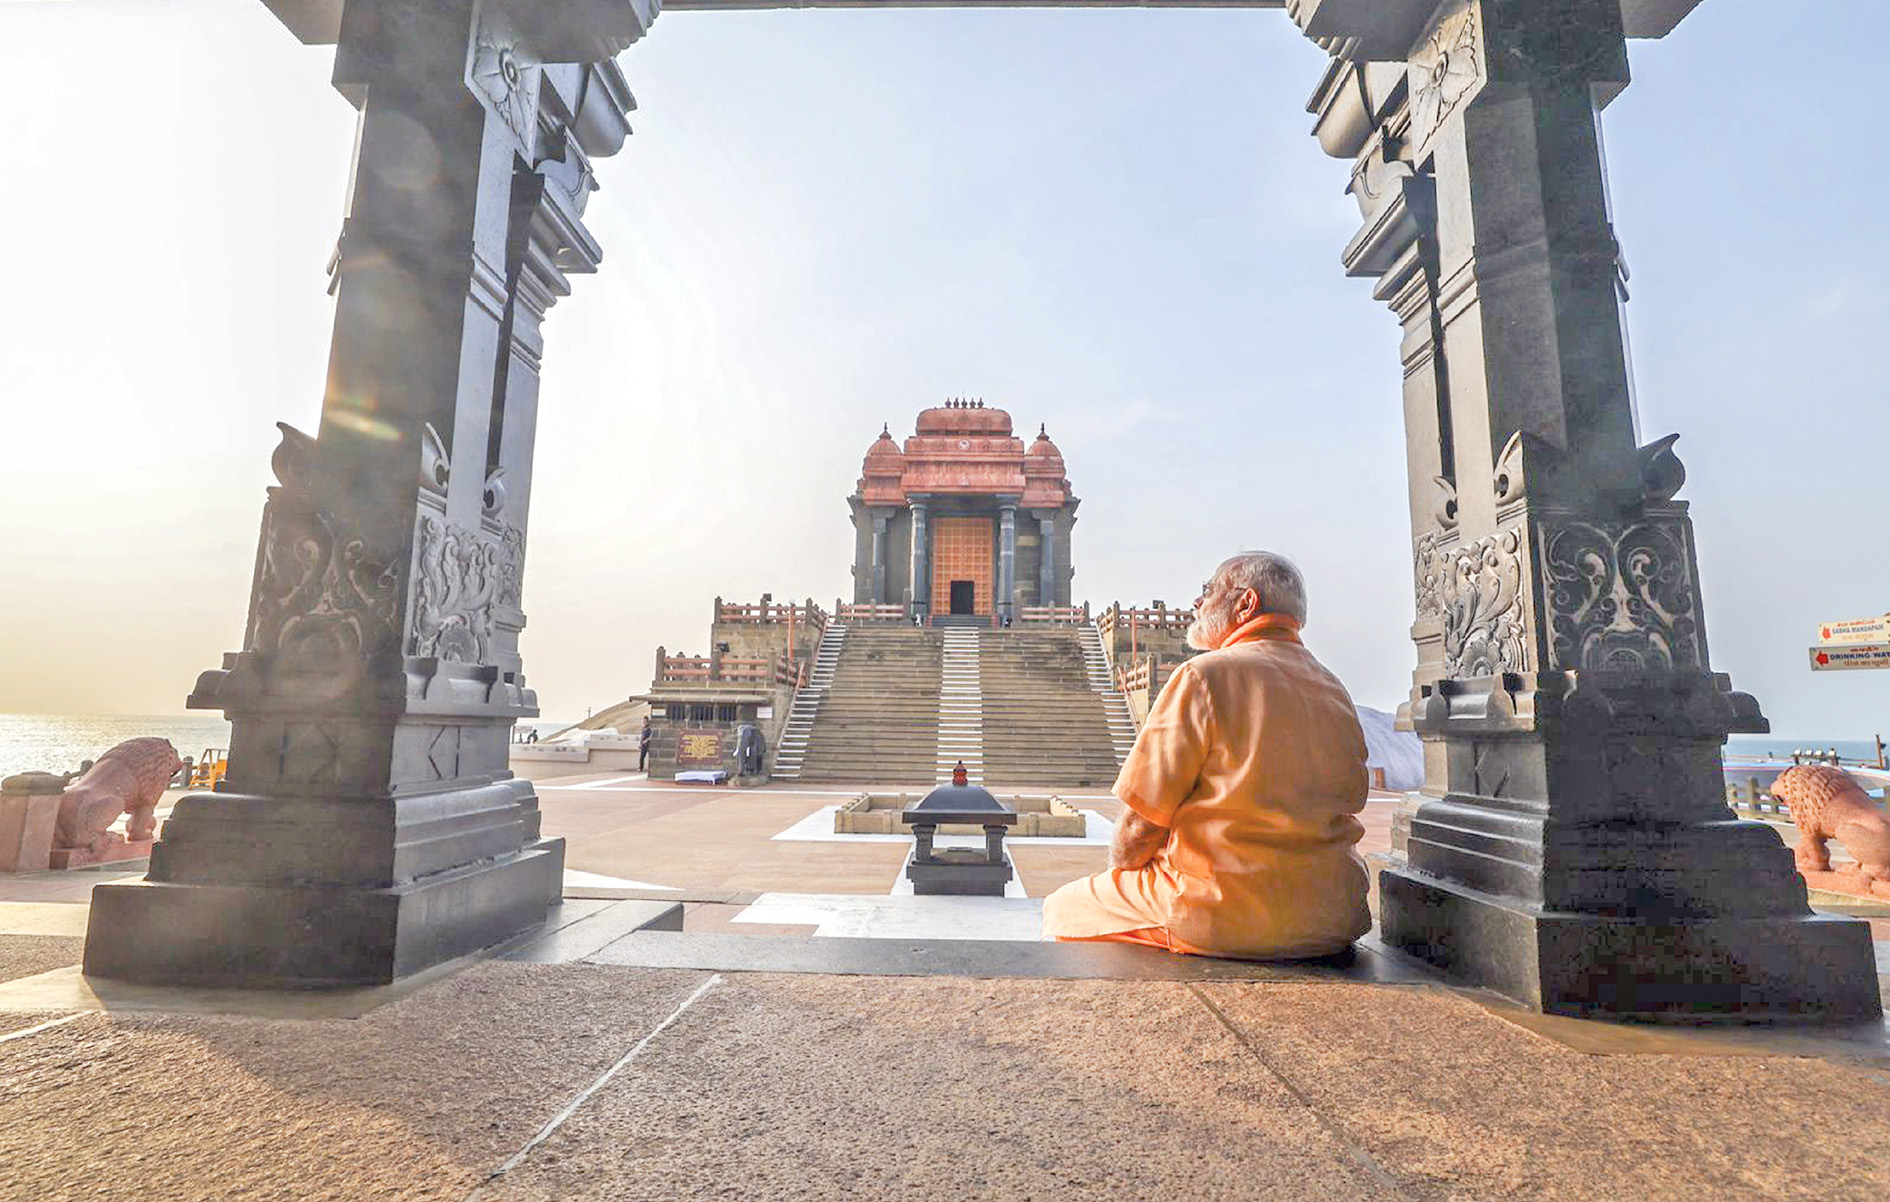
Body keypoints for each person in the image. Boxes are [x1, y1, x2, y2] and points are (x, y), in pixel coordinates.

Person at [1041, 551, 1371, 960]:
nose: (1197, 603)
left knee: (1062, 909)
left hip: (1221, 912)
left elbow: (1138, 831)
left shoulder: (1203, 675)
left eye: (1208, 590)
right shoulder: (1334, 687)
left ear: (1245, 604)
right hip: (1333, 915)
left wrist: (1130, 871)